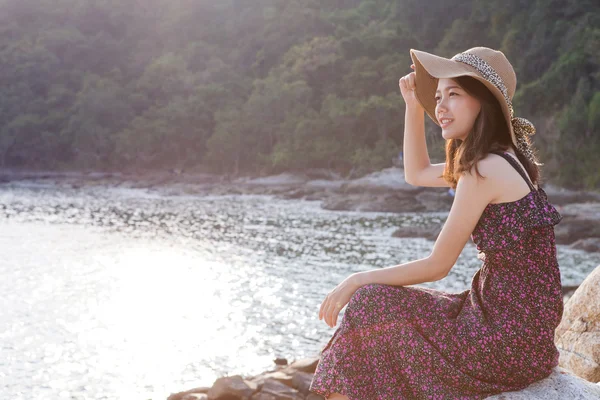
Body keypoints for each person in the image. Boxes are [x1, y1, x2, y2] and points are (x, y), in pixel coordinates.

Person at [308, 47, 564, 399]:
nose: (440, 108)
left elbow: (437, 265)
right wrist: (413, 105)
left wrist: (357, 278)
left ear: (483, 102)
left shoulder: (484, 170)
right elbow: (415, 173)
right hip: (517, 332)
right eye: (438, 96)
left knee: (370, 301)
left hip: (504, 340)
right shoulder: (505, 159)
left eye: (453, 95)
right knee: (378, 309)